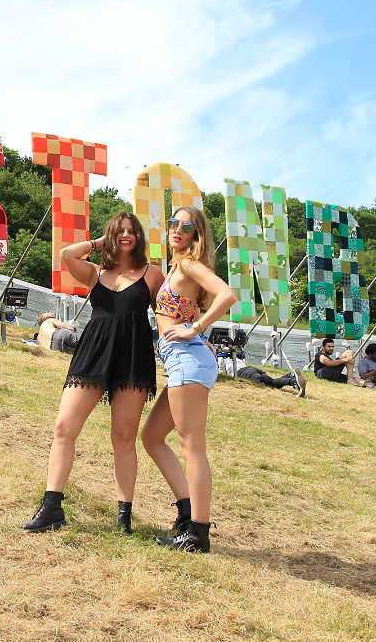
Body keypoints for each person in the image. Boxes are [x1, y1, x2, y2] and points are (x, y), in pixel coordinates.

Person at [21, 212, 164, 534]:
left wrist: (194, 337)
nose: (126, 236)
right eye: (120, 231)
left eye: (132, 232)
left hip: (133, 357)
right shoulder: (96, 272)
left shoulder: (152, 274)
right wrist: (102, 243)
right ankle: (51, 507)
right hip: (94, 353)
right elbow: (65, 254)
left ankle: (124, 516)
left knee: (124, 438)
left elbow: (167, 312)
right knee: (63, 428)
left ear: (140, 237)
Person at [141, 206, 236, 553]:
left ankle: (198, 532)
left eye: (187, 227)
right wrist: (196, 330)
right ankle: (186, 512)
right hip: (185, 360)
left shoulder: (187, 264)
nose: (177, 230)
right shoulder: (176, 268)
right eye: (173, 224)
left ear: (196, 235)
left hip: (186, 360)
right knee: (151, 437)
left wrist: (195, 330)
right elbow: (186, 307)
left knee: (192, 448)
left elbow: (227, 295)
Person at [217, 351, 307, 397]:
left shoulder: (221, 358)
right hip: (252, 369)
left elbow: (222, 373)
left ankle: (293, 381)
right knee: (272, 383)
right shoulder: (234, 356)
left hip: (243, 372)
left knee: (270, 384)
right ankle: (290, 375)